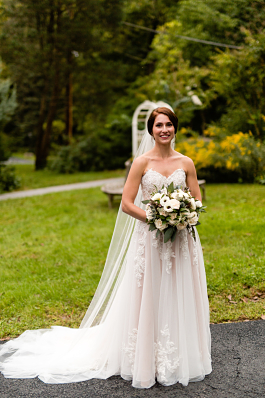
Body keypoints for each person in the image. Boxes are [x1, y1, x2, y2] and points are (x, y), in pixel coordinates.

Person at [0, 107, 211, 389]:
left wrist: (184, 214)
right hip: (150, 239)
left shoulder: (186, 162)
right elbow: (126, 204)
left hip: (180, 241)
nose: (164, 130)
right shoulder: (141, 163)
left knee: (177, 291)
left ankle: (180, 354)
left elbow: (196, 199)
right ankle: (146, 356)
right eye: (159, 125)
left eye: (169, 124)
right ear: (151, 130)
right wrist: (156, 216)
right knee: (149, 292)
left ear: (175, 128)